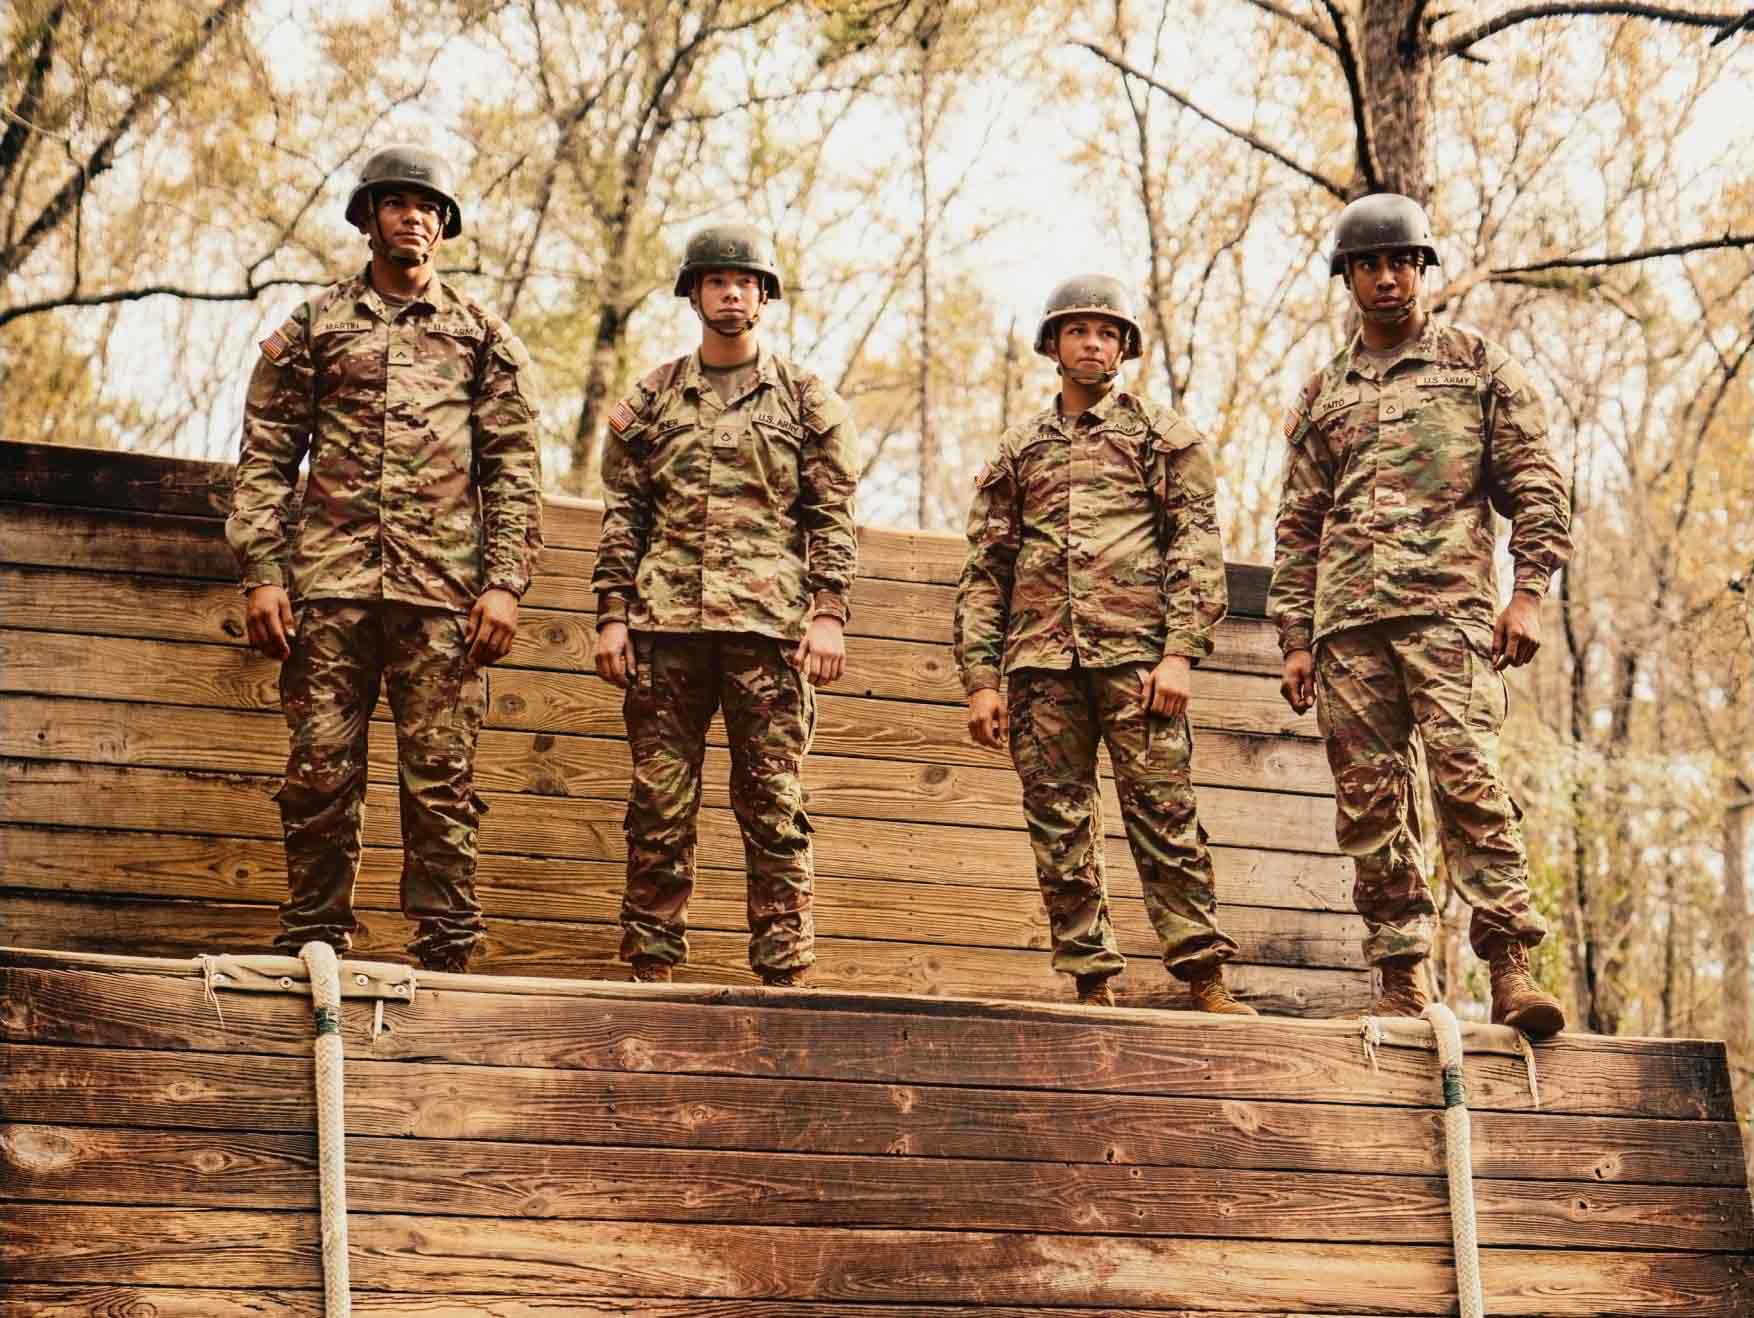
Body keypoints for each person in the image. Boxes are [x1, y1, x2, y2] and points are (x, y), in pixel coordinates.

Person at [226, 144, 544, 973]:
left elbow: (513, 469)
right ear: (368, 217)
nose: (418, 218)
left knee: (442, 782)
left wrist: (505, 584)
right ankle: (313, 949)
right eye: (401, 203)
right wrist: (262, 572)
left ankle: (445, 959)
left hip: (442, 597)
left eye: (432, 208)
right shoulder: (314, 326)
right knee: (318, 775)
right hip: (328, 592)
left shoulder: (480, 336)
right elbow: (265, 457)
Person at [1268, 192, 1571, 1037]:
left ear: (1422, 269)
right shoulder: (1323, 393)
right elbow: (1298, 523)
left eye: (1403, 262)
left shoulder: (1478, 366)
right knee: (1369, 803)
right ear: (1349, 277)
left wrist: (1528, 592)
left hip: (1449, 618)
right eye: (1370, 265)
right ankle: (1400, 972)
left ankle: (1509, 963)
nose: (1388, 278)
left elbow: (1536, 486)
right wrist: (1295, 639)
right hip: (1348, 630)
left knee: (1468, 781)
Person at [954, 274, 1254, 1014]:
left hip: (1138, 664)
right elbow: (987, 568)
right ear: (1053, 345)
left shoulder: (1164, 438)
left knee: (1165, 816)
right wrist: (981, 680)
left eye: (1107, 332)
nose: (1092, 342)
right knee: (1059, 825)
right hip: (1040, 666)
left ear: (1124, 347)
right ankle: (1092, 981)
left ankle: (1204, 978)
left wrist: (1181, 652)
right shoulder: (1018, 451)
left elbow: (1195, 548)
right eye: (1078, 330)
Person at [591, 222, 858, 988]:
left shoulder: (809, 401)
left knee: (775, 808)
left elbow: (831, 517)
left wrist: (829, 613)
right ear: (694, 293)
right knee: (657, 808)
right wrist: (612, 614)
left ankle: (783, 977)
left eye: (746, 282)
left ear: (765, 298)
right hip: (664, 634)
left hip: (769, 637)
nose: (732, 292)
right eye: (716, 281)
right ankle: (650, 970)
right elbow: (625, 516)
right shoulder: (650, 399)